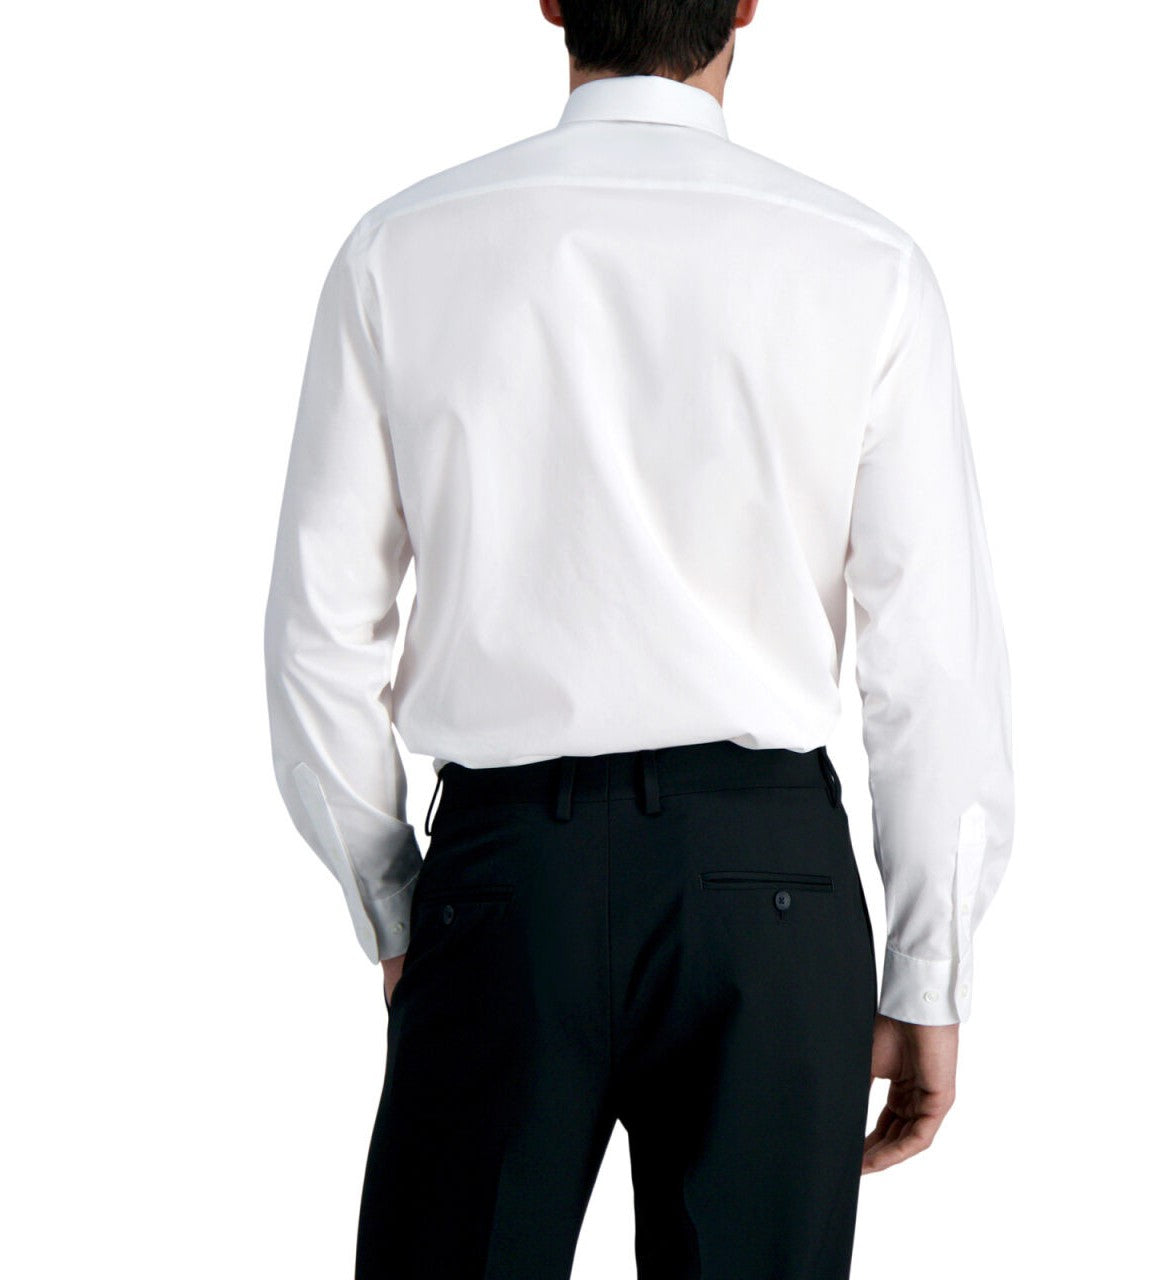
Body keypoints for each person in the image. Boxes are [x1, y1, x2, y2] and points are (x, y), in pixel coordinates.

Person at [263, 2, 1014, 1276]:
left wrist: (393, 905)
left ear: (551, 0)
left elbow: (319, 634)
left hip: (505, 882)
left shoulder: (404, 248)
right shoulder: (861, 263)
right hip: (765, 888)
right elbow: (930, 663)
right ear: (746, 1)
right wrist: (928, 968)